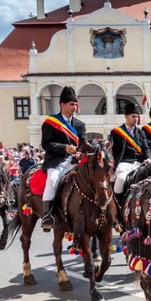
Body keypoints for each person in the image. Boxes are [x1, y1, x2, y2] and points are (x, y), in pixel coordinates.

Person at [41, 86, 87, 231]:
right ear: (62, 105)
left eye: (76, 104)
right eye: (71, 104)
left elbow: (83, 143)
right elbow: (46, 144)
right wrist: (64, 148)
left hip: (75, 161)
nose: (75, 107)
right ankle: (47, 214)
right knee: (52, 180)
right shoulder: (51, 122)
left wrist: (79, 152)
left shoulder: (80, 125)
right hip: (57, 161)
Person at [112, 103, 151, 207]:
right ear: (126, 116)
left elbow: (145, 148)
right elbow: (112, 151)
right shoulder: (116, 132)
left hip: (139, 163)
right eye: (133, 116)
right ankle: (118, 207)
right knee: (120, 179)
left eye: (137, 116)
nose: (136, 119)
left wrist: (148, 158)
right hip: (124, 163)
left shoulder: (140, 132)